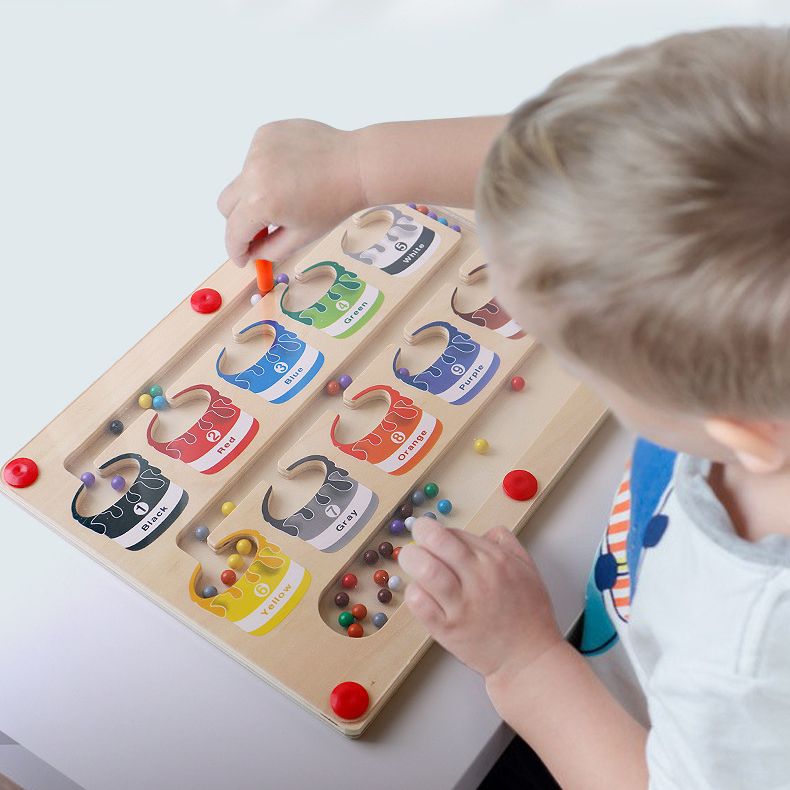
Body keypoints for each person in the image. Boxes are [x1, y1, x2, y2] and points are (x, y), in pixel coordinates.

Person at [218, 27, 790, 788]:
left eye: (576, 352)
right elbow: (654, 169)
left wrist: (524, 660)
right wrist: (358, 165)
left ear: (741, 433)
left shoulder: (748, 666)